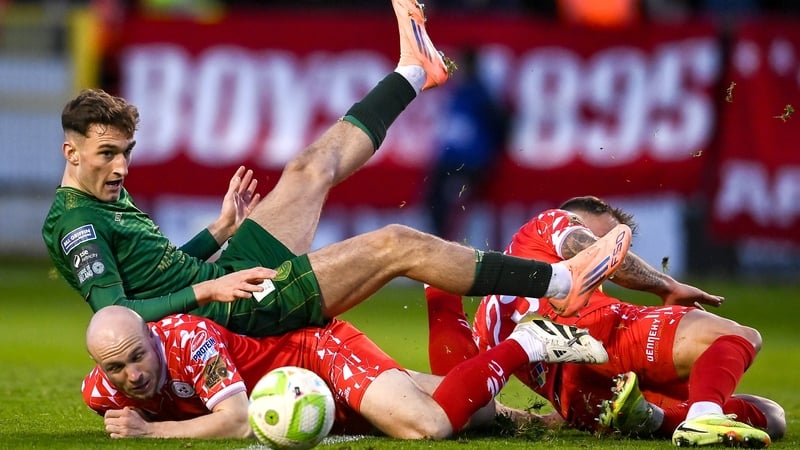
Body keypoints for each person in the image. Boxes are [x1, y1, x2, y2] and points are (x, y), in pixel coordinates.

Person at [42, 0, 629, 339]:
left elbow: (153, 270)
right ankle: (561, 283)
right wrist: (209, 284)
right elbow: (115, 316)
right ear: (72, 154)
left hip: (223, 279)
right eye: (106, 155)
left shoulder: (103, 195)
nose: (121, 166)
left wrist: (216, 235)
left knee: (306, 167)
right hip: (227, 315)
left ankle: (415, 70)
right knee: (398, 243)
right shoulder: (76, 226)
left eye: (125, 151)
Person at [424, 196, 784, 448]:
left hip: (584, 403)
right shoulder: (547, 224)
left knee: (769, 415)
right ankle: (698, 417)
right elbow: (591, 251)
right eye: (605, 235)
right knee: (736, 335)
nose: (612, 249)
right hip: (610, 336)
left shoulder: (490, 317)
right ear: (573, 218)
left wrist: (440, 295)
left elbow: (459, 394)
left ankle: (653, 418)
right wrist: (667, 286)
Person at [82, 305, 607, 439]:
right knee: (477, 413)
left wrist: (152, 430)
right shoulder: (101, 390)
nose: (132, 375)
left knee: (424, 427)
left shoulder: (191, 341)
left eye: (138, 356)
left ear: (154, 337)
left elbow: (238, 420)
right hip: (306, 401)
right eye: (117, 368)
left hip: (320, 358)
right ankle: (561, 421)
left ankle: (526, 342)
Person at [424, 46, 507, 243]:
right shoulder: (461, 91)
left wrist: (491, 154)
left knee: (457, 203)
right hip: (453, 159)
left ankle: (450, 242)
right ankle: (439, 239)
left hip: (471, 162)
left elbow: (500, 124)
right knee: (434, 199)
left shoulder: (481, 94)